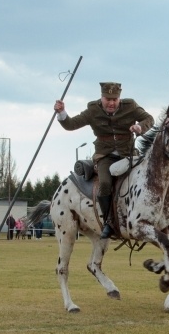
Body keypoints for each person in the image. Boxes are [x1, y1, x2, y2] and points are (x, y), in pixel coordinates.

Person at [54, 81, 154, 239]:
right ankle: (109, 221)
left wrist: (140, 127)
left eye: (115, 99)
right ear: (102, 98)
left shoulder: (131, 106)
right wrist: (62, 112)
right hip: (105, 156)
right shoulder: (93, 110)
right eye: (108, 99)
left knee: (146, 178)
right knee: (105, 183)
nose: (111, 103)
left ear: (119, 98)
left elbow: (149, 118)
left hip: (128, 154)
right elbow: (71, 124)